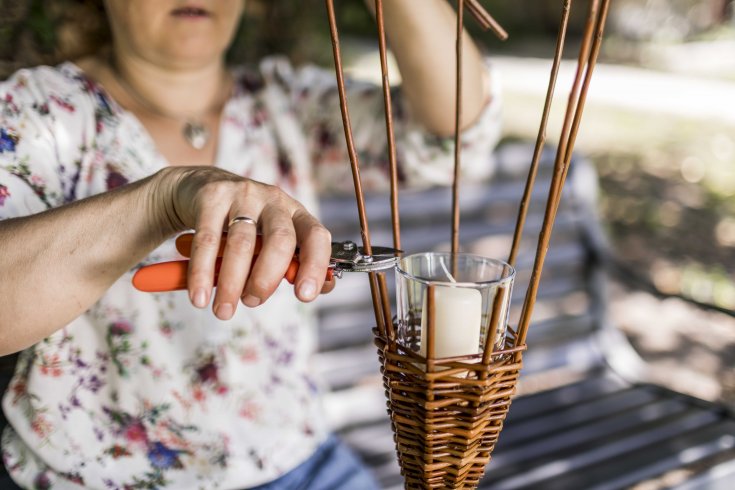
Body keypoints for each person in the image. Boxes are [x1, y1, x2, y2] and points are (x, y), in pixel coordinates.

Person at [0, 0, 501, 488]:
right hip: (102, 473)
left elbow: (454, 134)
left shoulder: (281, 101)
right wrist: (157, 203)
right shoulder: (39, 113)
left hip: (300, 456)